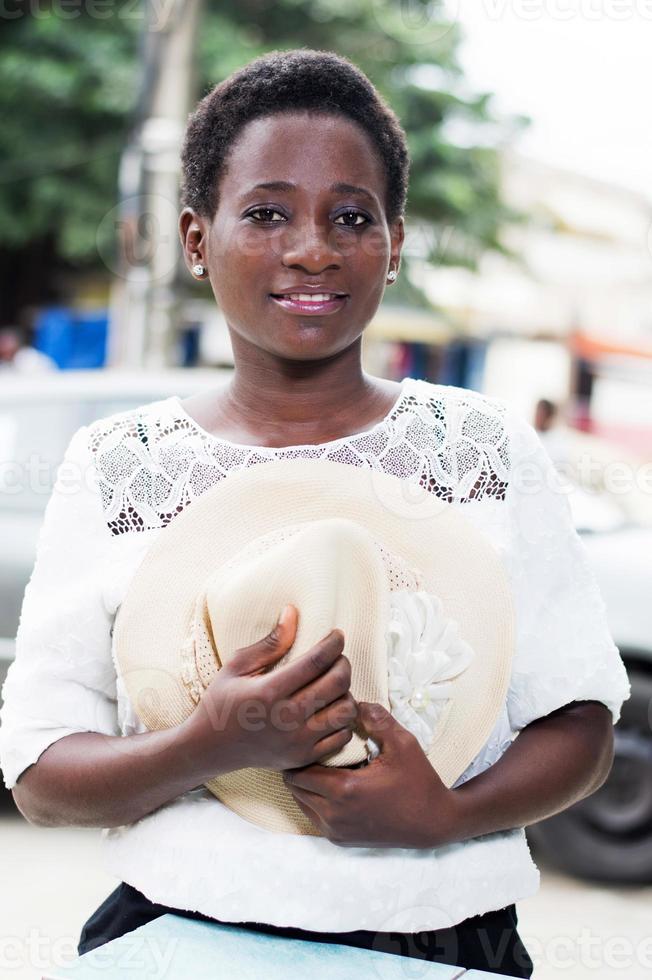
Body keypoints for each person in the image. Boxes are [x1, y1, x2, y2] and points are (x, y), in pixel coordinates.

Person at [0, 50, 630, 977]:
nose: (312, 249)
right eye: (265, 212)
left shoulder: (482, 450)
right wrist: (206, 745)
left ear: (396, 241)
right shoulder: (120, 466)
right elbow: (43, 777)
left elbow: (580, 725)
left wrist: (444, 815)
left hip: (446, 942)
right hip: (180, 937)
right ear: (195, 239)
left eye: (351, 216)